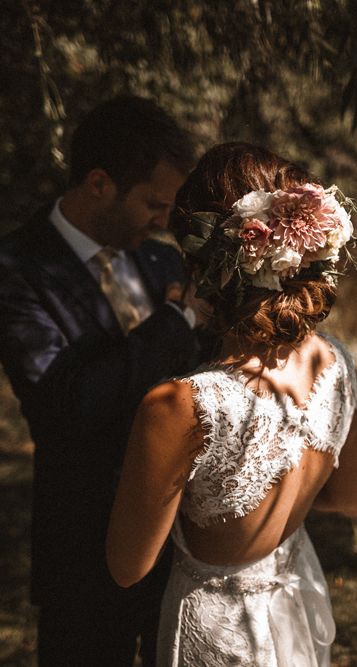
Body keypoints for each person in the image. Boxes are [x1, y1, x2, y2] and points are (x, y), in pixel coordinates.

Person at [106, 142, 357, 666]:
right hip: (291, 602)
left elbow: (127, 566)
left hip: (217, 634)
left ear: (201, 265)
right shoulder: (338, 366)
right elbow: (350, 497)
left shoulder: (180, 405)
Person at [0, 96, 207, 665]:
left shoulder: (163, 263)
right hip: (82, 550)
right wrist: (177, 321)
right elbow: (63, 405)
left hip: (177, 541)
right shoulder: (16, 270)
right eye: (153, 204)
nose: (164, 220)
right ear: (98, 182)